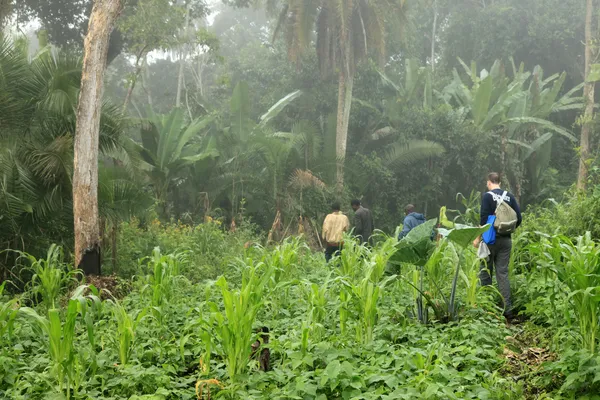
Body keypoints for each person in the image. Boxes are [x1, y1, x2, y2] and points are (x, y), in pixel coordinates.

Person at [473, 172, 522, 320]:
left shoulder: (487, 196)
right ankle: (507, 309)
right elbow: (518, 219)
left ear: (489, 182)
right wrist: (505, 229)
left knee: (485, 272)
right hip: (506, 240)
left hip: (490, 239)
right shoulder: (510, 196)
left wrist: (477, 238)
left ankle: (486, 308)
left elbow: (484, 220)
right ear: (499, 182)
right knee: (502, 274)